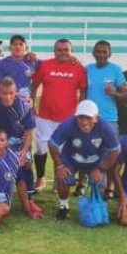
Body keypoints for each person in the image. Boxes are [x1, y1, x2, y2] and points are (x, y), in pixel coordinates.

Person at [0, 77, 42, 219]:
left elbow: (29, 132)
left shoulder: (23, 106)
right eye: (4, 93)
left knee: (26, 163)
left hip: (18, 145)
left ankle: (29, 199)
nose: (8, 96)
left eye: (11, 93)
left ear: (15, 91)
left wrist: (24, 150)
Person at [48, 100, 121, 220]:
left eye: (88, 118)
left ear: (96, 118)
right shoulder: (68, 125)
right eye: (81, 118)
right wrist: (60, 166)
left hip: (96, 161)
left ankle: (94, 205)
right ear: (76, 117)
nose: (84, 122)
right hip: (71, 159)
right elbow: (52, 144)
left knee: (100, 186)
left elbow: (116, 150)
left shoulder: (106, 127)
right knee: (63, 179)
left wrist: (101, 169)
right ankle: (63, 207)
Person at [31, 38, 87, 191]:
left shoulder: (79, 68)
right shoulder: (45, 65)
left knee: (62, 150)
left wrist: (79, 112)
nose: (63, 52)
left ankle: (58, 180)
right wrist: (31, 104)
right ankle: (41, 178)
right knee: (42, 148)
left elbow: (83, 91)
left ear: (71, 51)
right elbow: (34, 85)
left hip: (67, 118)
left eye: (66, 50)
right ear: (54, 51)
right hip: (44, 116)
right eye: (59, 49)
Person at [85, 40, 127, 199]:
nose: (101, 55)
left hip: (109, 119)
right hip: (89, 120)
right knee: (89, 152)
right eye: (99, 51)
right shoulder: (87, 69)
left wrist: (114, 93)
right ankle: (87, 185)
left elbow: (125, 95)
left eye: (104, 52)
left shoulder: (116, 70)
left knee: (112, 155)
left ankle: (109, 186)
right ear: (93, 53)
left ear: (109, 54)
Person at [0, 34, 39, 107]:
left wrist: (32, 99)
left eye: (21, 44)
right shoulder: (2, 63)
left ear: (25, 48)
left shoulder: (32, 62)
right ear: (9, 48)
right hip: (8, 103)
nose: (18, 47)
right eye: (14, 44)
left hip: (26, 103)